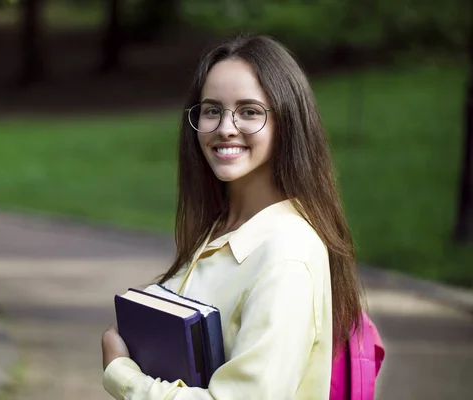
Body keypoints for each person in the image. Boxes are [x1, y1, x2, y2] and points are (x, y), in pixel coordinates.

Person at [101, 34, 363, 400]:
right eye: (212, 110)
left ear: (287, 123)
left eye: (249, 111)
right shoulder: (221, 228)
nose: (225, 127)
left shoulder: (286, 254)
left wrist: (124, 377)